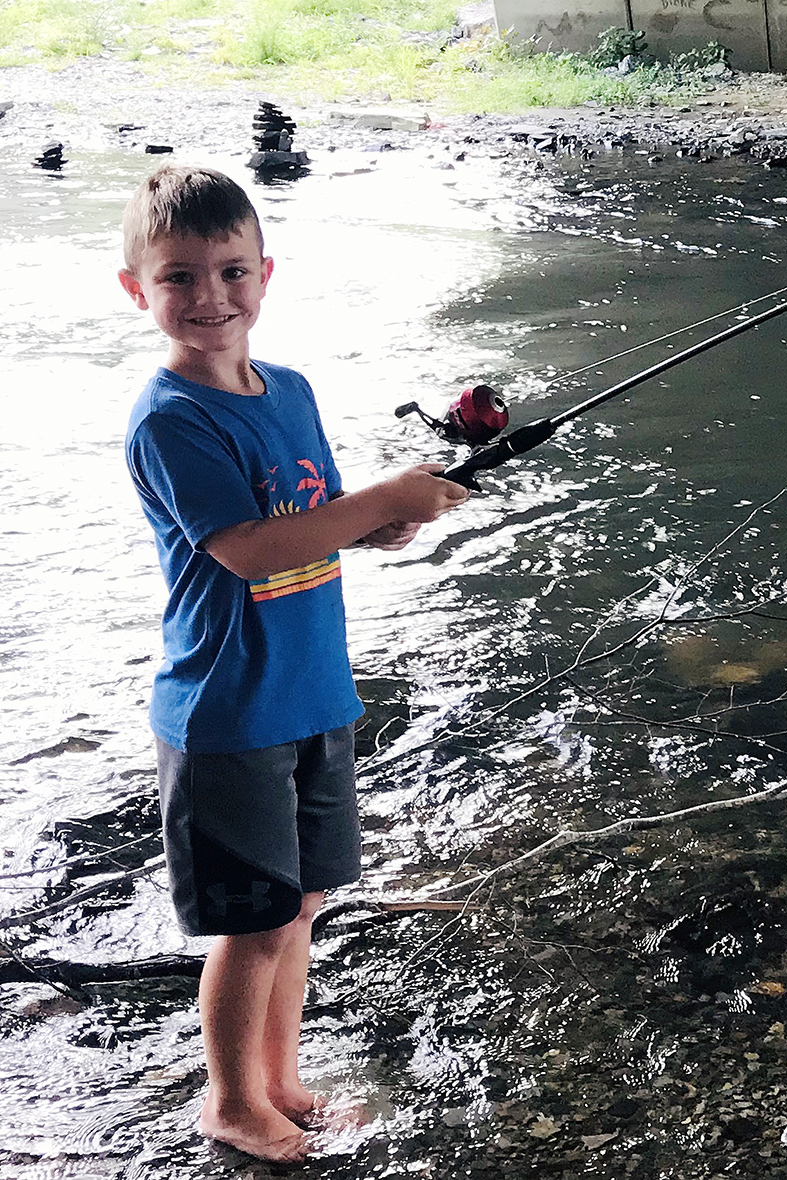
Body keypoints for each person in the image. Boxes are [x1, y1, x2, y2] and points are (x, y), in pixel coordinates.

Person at [118, 164, 469, 1161]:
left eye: (232, 271)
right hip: (229, 711)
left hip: (314, 692)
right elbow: (249, 549)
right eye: (179, 277)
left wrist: (383, 523)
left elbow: (313, 518)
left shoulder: (293, 391)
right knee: (256, 922)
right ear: (137, 289)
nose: (212, 297)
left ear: (265, 274)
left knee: (301, 906)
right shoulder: (171, 418)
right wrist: (380, 499)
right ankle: (232, 1101)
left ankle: (282, 1082)